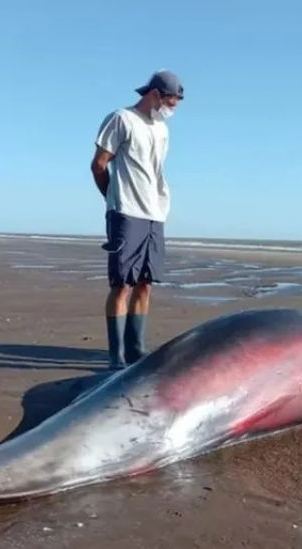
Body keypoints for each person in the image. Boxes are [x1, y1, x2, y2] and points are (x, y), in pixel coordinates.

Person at [90, 70, 184, 369]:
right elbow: (99, 165)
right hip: (126, 211)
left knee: (146, 283)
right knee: (122, 285)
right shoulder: (121, 119)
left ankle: (135, 351)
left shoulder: (162, 129)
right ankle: (116, 358)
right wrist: (113, 200)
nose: (173, 108)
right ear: (154, 94)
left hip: (155, 213)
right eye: (171, 101)